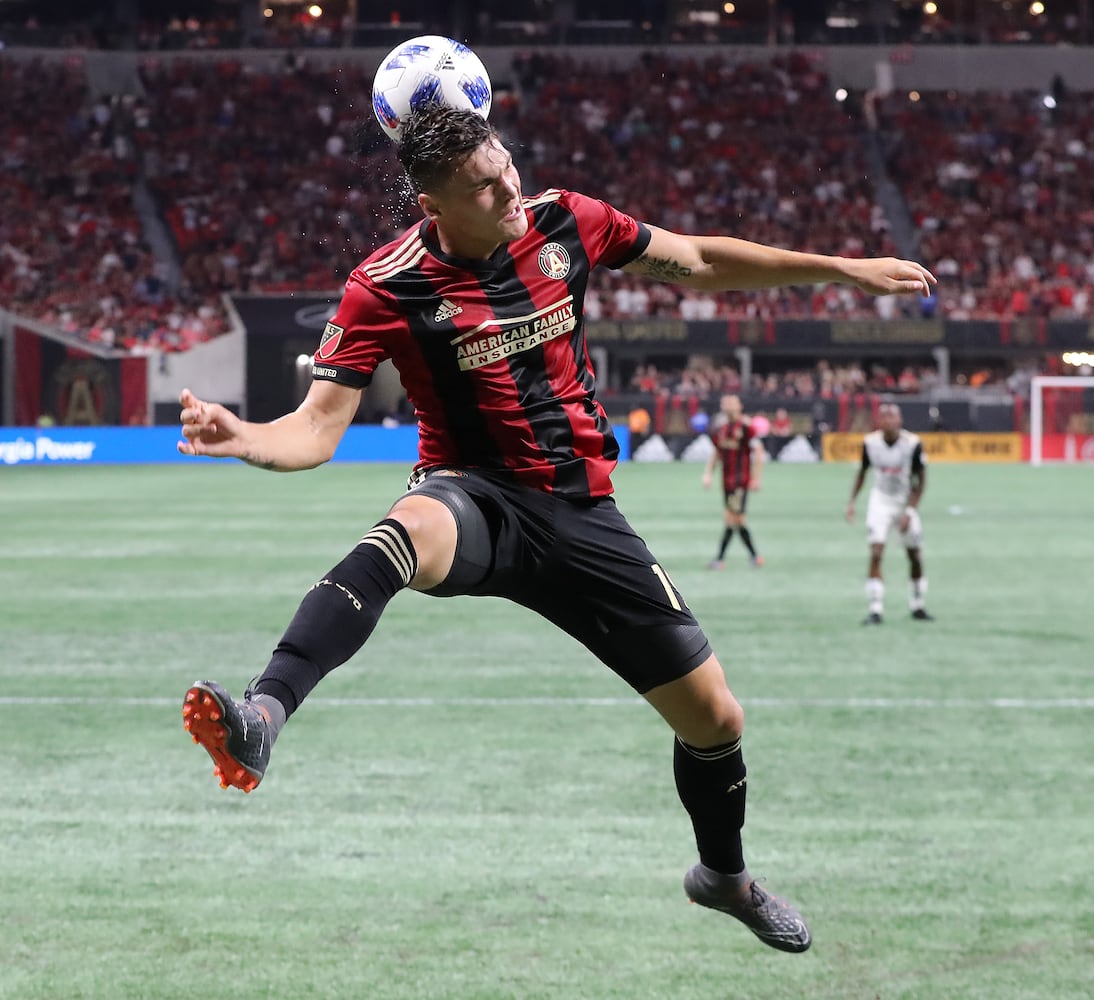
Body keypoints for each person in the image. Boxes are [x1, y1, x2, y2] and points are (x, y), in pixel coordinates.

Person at [177, 103, 936, 954]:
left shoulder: (565, 221)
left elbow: (694, 259)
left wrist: (837, 269)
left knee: (717, 721)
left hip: (583, 513)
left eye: (505, 165)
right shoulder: (384, 286)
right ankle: (263, 717)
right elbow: (316, 429)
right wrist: (243, 436)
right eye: (483, 185)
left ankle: (724, 878)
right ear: (434, 209)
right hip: (477, 498)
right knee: (401, 534)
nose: (508, 187)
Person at [844, 402, 934, 624]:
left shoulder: (912, 444)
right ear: (879, 421)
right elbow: (862, 472)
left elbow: (921, 481)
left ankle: (917, 605)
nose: (888, 421)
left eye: (892, 417)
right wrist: (852, 502)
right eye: (884, 417)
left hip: (904, 502)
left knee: (914, 555)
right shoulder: (870, 443)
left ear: (900, 420)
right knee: (875, 552)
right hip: (880, 501)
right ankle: (875, 609)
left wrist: (910, 510)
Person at [702, 394, 766, 569]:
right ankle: (754, 557)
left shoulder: (746, 427)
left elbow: (758, 450)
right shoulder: (721, 429)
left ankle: (720, 559)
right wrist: (708, 473)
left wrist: (755, 478)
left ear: (739, 406)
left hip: (740, 482)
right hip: (727, 482)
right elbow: (716, 452)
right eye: (725, 402)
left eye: (731, 403)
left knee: (732, 518)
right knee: (737, 520)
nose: (727, 405)